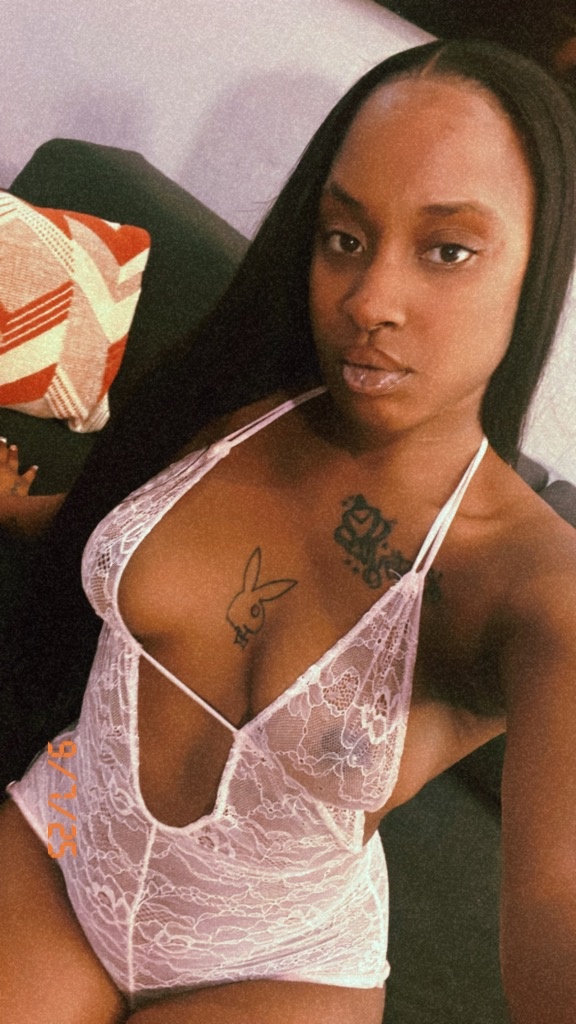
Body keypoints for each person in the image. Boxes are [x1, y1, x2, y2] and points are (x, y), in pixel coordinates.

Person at [1, 37, 576, 1024]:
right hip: (64, 842)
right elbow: (134, 528)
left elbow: (558, 905)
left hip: (268, 967)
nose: (369, 302)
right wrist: (27, 510)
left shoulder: (530, 587)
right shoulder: (243, 404)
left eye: (448, 249)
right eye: (345, 238)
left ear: (538, 268)